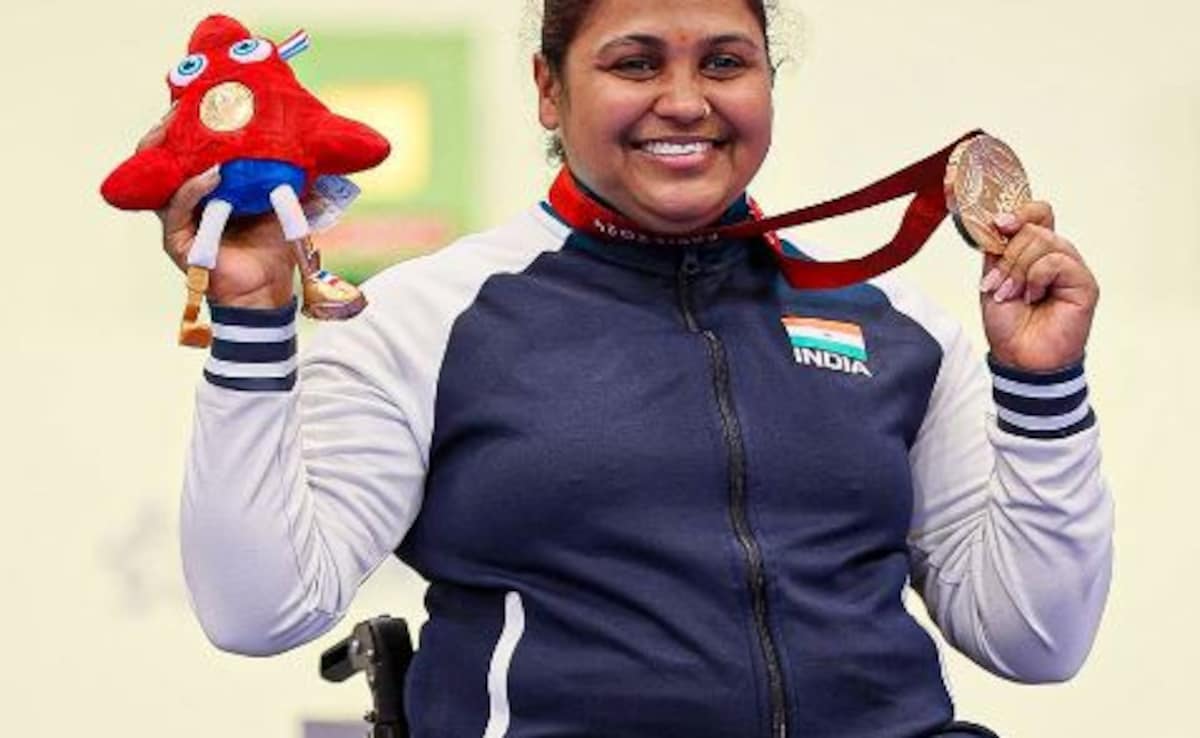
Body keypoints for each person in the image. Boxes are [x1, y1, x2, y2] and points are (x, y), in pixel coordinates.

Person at [158, 1, 1113, 736]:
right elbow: (259, 609)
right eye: (636, 62)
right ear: (549, 88)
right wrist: (251, 323)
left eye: (726, 62)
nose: (687, 100)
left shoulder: (895, 325)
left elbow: (1035, 640)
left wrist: (1043, 387)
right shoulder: (426, 321)